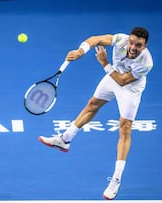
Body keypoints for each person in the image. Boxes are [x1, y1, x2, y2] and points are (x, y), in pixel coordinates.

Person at [38, 27, 153, 200]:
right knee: (92, 104)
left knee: (125, 128)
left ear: (144, 46)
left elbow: (122, 82)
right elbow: (95, 39)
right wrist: (80, 51)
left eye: (138, 45)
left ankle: (116, 180)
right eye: (131, 42)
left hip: (130, 88)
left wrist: (105, 64)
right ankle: (65, 140)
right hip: (112, 76)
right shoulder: (121, 40)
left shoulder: (146, 62)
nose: (133, 47)